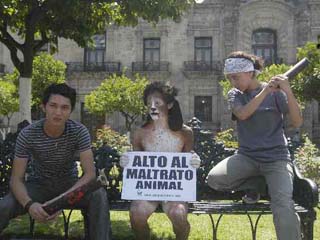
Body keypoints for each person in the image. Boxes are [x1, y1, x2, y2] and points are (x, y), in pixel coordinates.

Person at [207, 51, 303, 240]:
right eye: (229, 78)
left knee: (283, 204)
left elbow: (297, 121)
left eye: (236, 77)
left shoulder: (277, 94)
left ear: (250, 73)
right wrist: (265, 91)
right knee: (214, 179)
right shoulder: (235, 95)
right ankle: (259, 184)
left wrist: (287, 90)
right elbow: (243, 114)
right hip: (247, 157)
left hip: (277, 159)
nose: (232, 82)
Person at [0, 83, 111, 240]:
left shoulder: (79, 131)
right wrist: (30, 205)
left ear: (70, 111)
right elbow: (16, 179)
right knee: (4, 205)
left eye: (64, 108)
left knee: (98, 195)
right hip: (38, 185)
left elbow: (89, 175)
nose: (58, 112)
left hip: (69, 185)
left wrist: (62, 200)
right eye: (53, 106)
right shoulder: (28, 134)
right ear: (44, 107)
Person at [120, 81, 201, 240]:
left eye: (157, 103)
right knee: (137, 214)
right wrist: (126, 162)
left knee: (178, 214)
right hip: (147, 189)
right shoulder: (140, 133)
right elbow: (137, 164)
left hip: (174, 191)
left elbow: (188, 159)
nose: (152, 107)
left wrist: (194, 160)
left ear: (169, 105)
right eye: (149, 103)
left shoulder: (185, 133)